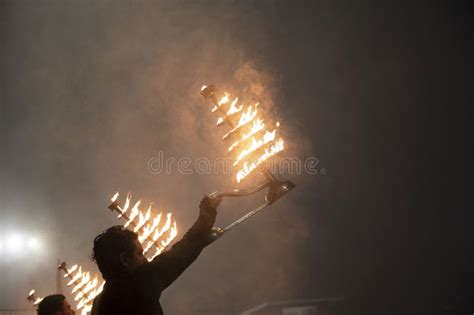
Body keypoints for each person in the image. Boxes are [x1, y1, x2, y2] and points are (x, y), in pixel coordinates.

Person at [91, 195, 221, 315]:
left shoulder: (99, 305)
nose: (146, 259)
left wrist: (200, 242)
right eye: (139, 253)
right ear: (125, 260)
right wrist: (208, 212)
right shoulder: (135, 286)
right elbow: (179, 254)